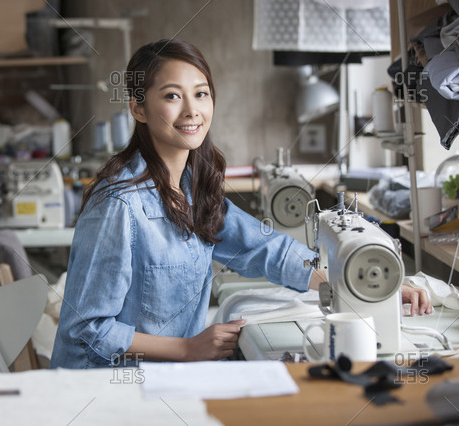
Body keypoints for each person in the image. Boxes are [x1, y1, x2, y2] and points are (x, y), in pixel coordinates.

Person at [50, 39, 432, 369]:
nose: (191, 110)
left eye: (201, 93)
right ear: (138, 108)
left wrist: (357, 285)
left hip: (166, 376)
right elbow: (86, 328)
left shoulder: (191, 188)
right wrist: (187, 348)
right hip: (105, 391)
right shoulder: (118, 204)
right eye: (171, 95)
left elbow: (264, 247)